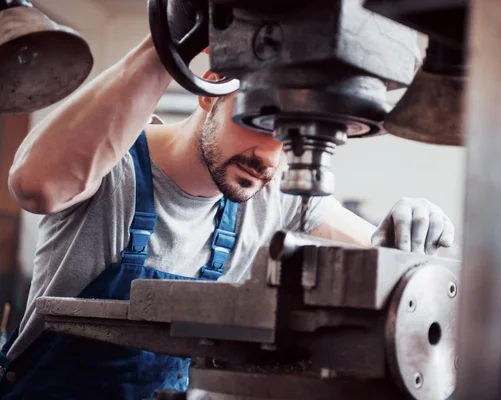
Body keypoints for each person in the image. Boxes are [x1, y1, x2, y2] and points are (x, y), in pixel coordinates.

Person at [0, 35, 455, 399]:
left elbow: (384, 254)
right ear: (209, 88)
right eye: (263, 122)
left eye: (292, 138)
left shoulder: (275, 194)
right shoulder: (111, 167)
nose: (273, 160)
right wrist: (170, 42)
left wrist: (414, 227)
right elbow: (36, 187)